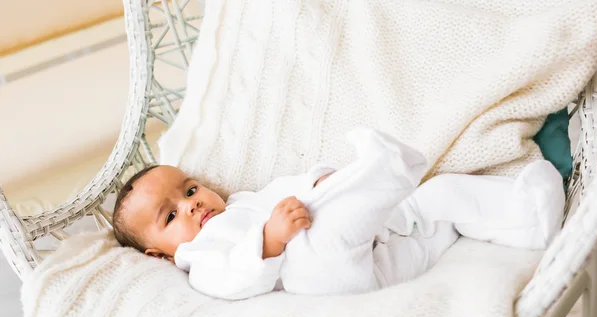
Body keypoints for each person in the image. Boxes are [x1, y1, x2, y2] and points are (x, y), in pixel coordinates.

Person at [113, 127, 565, 299]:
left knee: (440, 198)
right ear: (159, 253)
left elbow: (291, 190)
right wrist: (268, 242)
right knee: (318, 245)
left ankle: (527, 215)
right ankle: (383, 172)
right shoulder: (200, 259)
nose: (190, 204)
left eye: (189, 188)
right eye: (170, 216)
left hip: (393, 254)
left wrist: (319, 183)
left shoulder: (247, 201)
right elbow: (232, 278)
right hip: (328, 279)